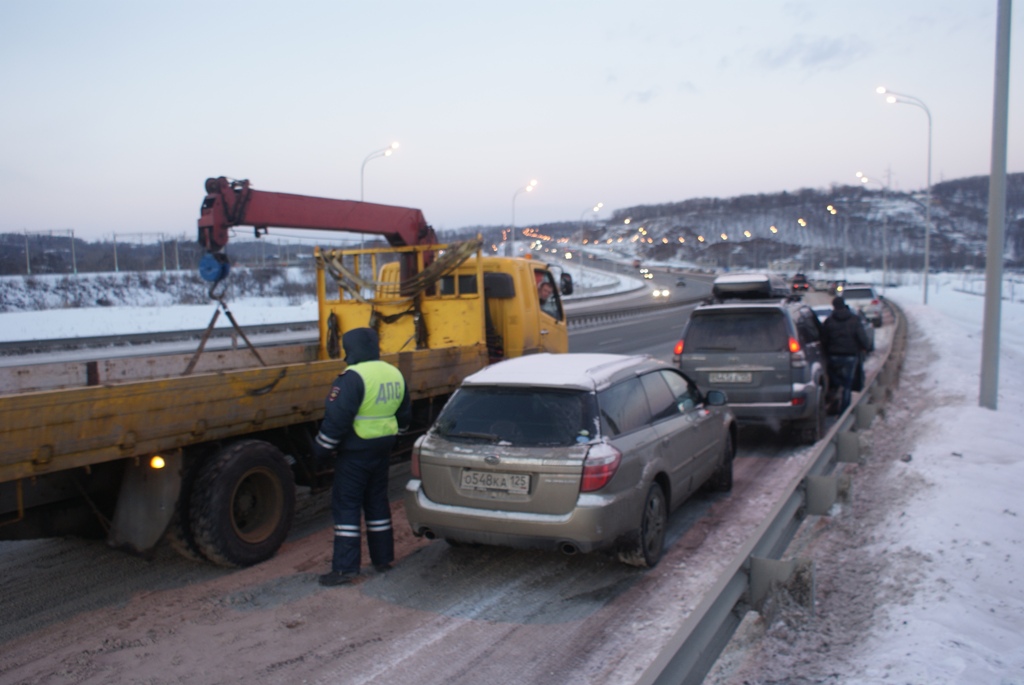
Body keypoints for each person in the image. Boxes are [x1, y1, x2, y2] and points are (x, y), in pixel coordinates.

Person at [313, 327, 411, 587]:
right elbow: (404, 416)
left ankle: (345, 569)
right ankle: (383, 558)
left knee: (346, 506)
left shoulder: (352, 377)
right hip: (382, 450)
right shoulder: (394, 373)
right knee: (377, 503)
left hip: (355, 452)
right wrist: (394, 437)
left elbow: (337, 419)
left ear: (350, 349)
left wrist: (321, 451)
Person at [821, 296, 871, 414]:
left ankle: (836, 395)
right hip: (850, 355)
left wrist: (826, 350)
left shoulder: (829, 321)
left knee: (835, 381)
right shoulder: (854, 319)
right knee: (848, 384)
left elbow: (824, 339)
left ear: (834, 306)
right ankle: (844, 411)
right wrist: (866, 347)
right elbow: (862, 337)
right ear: (844, 305)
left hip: (833, 356)